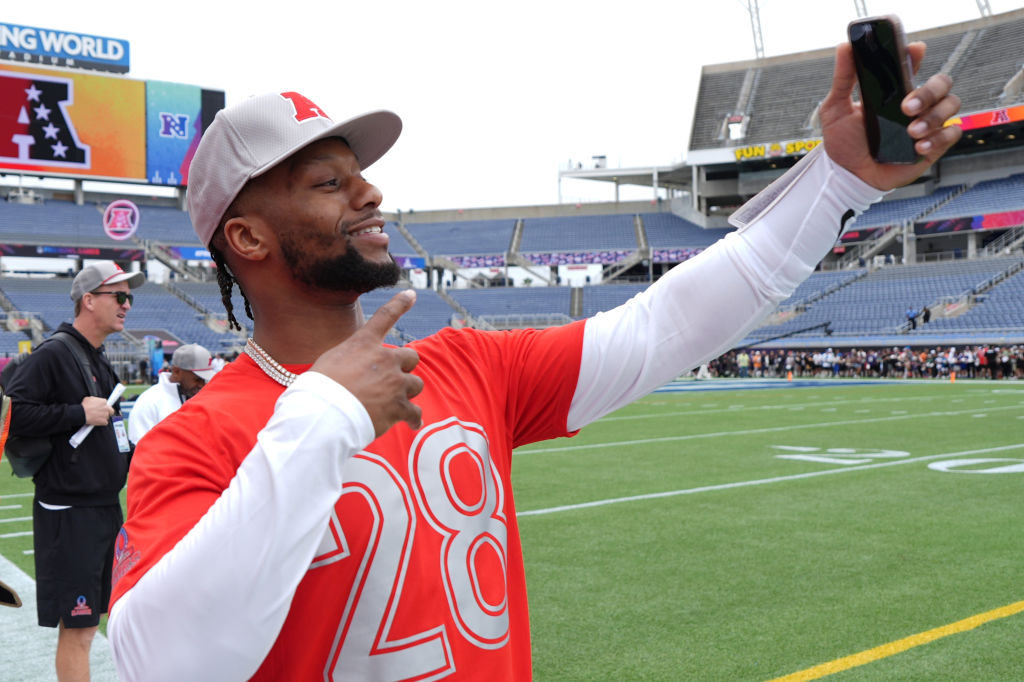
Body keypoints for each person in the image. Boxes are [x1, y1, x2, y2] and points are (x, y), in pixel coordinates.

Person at [107, 40, 961, 681]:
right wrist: (321, 418)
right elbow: (166, 660)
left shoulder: (467, 366)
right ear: (247, 236)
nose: (369, 191)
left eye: (358, 175)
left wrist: (838, 181)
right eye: (327, 183)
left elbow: (665, 325)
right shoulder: (196, 438)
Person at [5, 261, 143, 682]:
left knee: (96, 620)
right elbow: (13, 413)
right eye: (119, 296)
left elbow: (112, 430)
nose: (126, 306)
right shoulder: (53, 353)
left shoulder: (96, 357)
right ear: (89, 300)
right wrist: (75, 412)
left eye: (130, 298)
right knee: (79, 629)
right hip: (69, 512)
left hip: (102, 508)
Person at [127, 343, 219, 443]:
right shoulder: (149, 401)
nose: (202, 385)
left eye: (205, 380)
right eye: (197, 379)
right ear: (176, 371)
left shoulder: (202, 398)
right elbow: (139, 448)